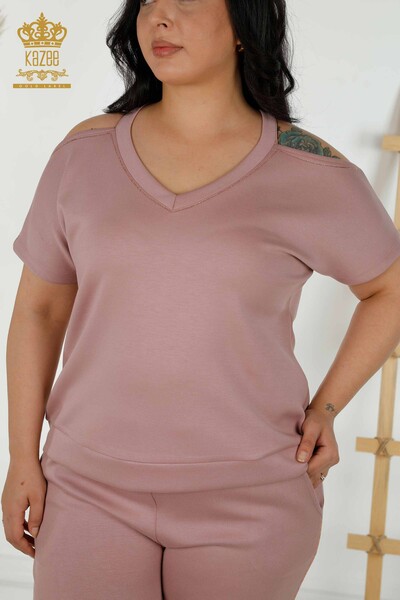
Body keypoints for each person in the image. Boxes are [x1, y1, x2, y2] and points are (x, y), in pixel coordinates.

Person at [3, 0, 400, 598]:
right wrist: (21, 458)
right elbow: (39, 311)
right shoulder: (84, 153)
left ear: (245, 23)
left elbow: (389, 289)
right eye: (147, 2)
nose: (159, 17)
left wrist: (326, 408)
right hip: (86, 490)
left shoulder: (310, 169)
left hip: (253, 499)